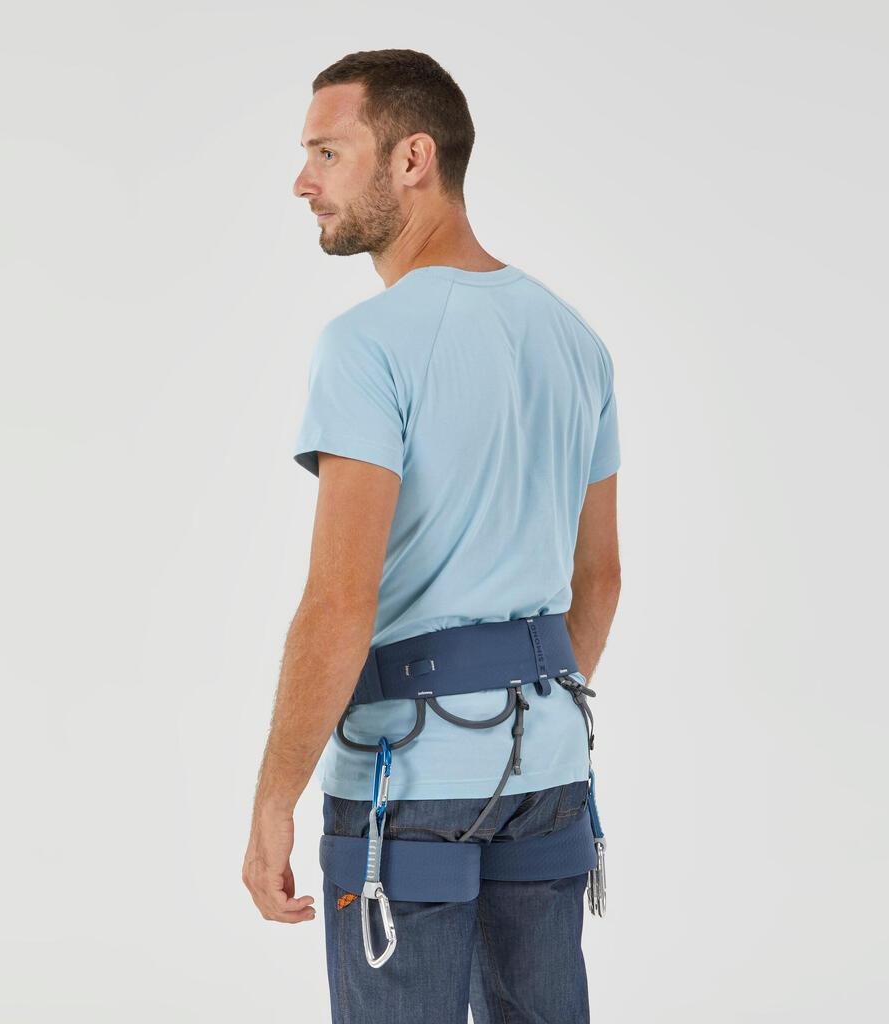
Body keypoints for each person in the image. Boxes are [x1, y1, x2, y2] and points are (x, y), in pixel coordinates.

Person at [242, 48, 621, 1023]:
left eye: (327, 152)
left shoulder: (367, 346)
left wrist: (274, 799)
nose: (303, 181)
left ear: (412, 158)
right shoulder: (575, 342)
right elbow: (600, 579)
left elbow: (340, 601)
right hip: (549, 767)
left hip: (405, 780)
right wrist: (521, 710)